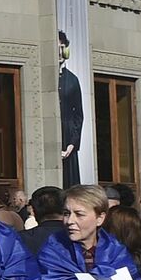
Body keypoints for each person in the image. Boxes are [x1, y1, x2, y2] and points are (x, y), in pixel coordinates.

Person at [57, 32, 84, 188]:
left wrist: (73, 143)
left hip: (67, 137)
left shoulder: (72, 80)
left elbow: (78, 115)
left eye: (62, 47)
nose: (60, 52)